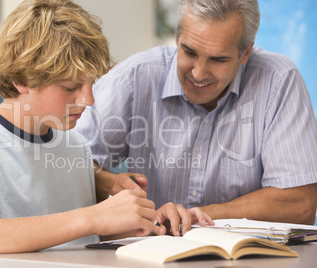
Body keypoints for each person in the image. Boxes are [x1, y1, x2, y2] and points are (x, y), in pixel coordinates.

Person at [0, 1, 215, 267]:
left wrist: (145, 222)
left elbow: (77, 241)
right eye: (70, 87)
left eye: (91, 84)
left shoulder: (74, 145)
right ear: (21, 80)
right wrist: (92, 218)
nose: (89, 100)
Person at [75, 0, 317, 225]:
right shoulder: (136, 77)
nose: (199, 74)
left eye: (218, 59)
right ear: (177, 38)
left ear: (245, 53)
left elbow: (301, 205)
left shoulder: (278, 80)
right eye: (189, 52)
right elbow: (68, 164)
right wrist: (111, 184)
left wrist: (196, 217)